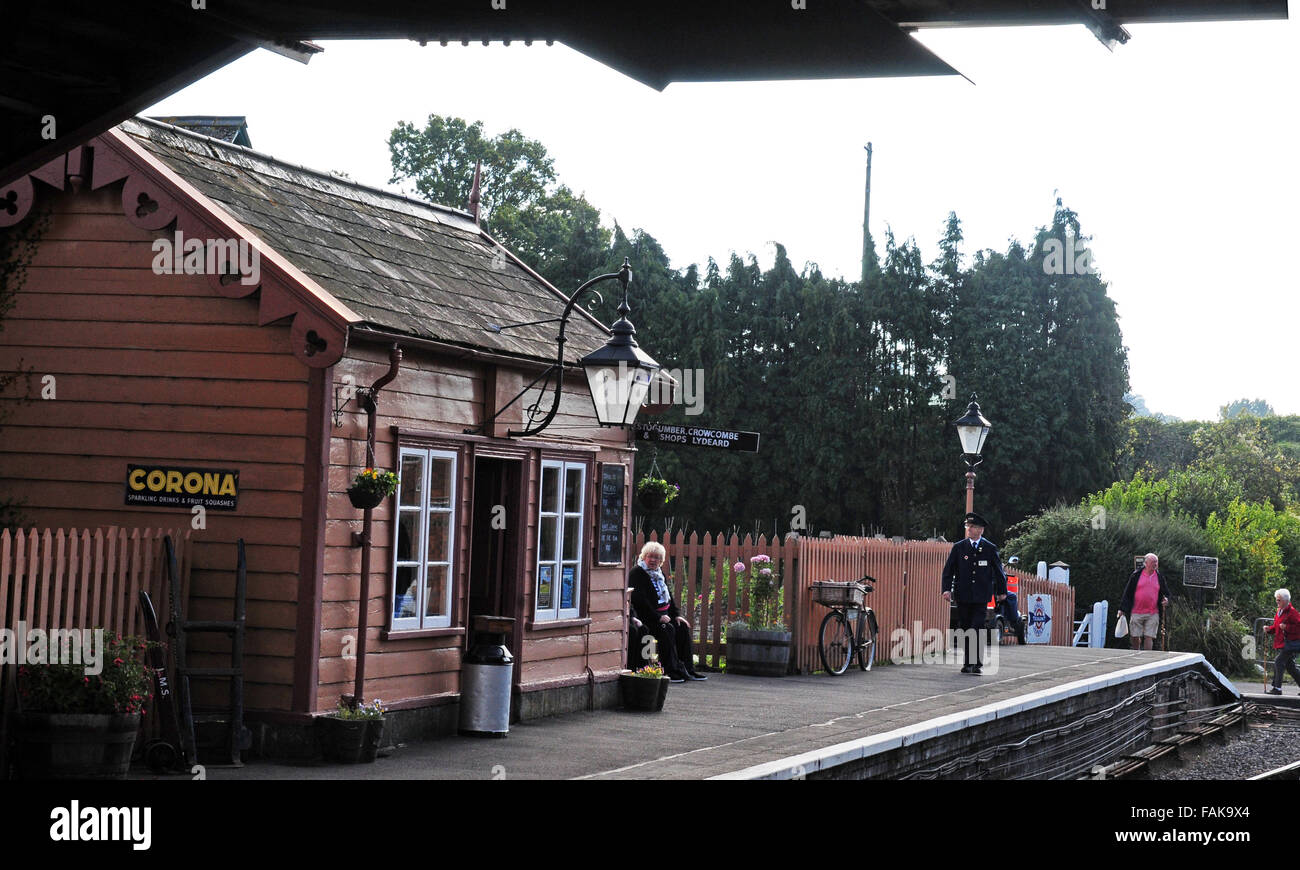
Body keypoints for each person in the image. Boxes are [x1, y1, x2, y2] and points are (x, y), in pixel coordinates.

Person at [629, 541, 707, 682]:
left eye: (657, 558)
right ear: (644, 557)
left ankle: (688, 669)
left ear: (661, 561)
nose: (653, 560)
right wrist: (658, 617)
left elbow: (668, 598)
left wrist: (676, 615)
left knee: (682, 627)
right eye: (650, 556)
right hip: (646, 618)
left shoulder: (659, 574)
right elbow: (640, 601)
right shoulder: (636, 573)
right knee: (667, 629)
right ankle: (670, 670)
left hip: (663, 616)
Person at [941, 512, 1008, 675]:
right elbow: (948, 570)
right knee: (965, 629)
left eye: (972, 527)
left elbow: (999, 572)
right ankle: (969, 662)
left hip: (981, 596)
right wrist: (946, 589)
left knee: (976, 627)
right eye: (968, 526)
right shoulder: (959, 547)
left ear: (980, 530)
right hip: (963, 595)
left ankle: (975, 664)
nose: (969, 529)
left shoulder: (989, 548)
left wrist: (1001, 591)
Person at [1118, 553, 1171, 651]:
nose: (1155, 564)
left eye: (1156, 562)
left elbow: (1166, 592)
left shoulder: (1159, 577)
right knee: (1135, 636)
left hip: (1153, 612)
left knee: (1149, 636)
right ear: (1146, 563)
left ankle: (1147, 657)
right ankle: (1136, 653)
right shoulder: (1136, 575)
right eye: (1153, 562)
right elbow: (1128, 592)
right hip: (1136, 611)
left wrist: (1166, 600)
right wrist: (1122, 609)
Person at [1263, 588, 1300, 695]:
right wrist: (1269, 629)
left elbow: (1298, 627)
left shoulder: (1292, 612)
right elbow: (1276, 627)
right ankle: (1277, 688)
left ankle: (1277, 688)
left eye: (1278, 600)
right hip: (1282, 643)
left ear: (1285, 601)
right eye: (1276, 599)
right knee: (1290, 667)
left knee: (1279, 661)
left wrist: (1286, 627)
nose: (1277, 602)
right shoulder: (1279, 611)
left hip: (1290, 644)